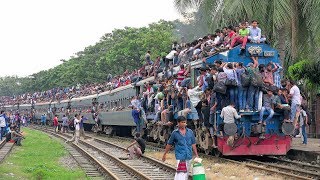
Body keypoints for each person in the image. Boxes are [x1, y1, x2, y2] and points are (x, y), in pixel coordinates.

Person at [162, 116, 198, 180]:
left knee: (185, 173)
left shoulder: (190, 132)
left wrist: (196, 155)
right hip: (180, 156)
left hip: (189, 155)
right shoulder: (175, 133)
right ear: (178, 123)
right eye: (182, 122)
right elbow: (169, 144)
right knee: (182, 173)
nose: (184, 124)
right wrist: (165, 154)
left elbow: (193, 144)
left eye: (185, 122)